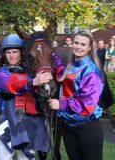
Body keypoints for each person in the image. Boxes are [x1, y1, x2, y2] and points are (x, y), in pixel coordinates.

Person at [49, 30, 104, 160]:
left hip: (87, 128)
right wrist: (53, 56)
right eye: (76, 43)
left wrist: (60, 104)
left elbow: (86, 105)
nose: (78, 47)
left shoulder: (91, 71)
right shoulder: (71, 65)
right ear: (72, 43)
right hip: (68, 127)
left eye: (83, 44)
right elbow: (61, 74)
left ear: (90, 48)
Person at [0, 34, 52, 160]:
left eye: (14, 52)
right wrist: (33, 82)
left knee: (26, 157)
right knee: (4, 157)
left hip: (30, 121)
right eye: (8, 52)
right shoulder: (1, 73)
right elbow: (13, 85)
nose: (11, 55)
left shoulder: (32, 71)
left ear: (22, 52)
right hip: (8, 122)